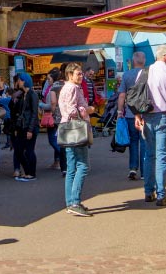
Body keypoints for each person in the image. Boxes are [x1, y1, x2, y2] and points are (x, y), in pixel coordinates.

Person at [135, 45, 166, 207]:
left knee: (149, 155)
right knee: (161, 155)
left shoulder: (145, 72)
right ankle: (162, 194)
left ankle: (149, 192)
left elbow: (137, 95)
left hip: (147, 116)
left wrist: (138, 115)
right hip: (164, 115)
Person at [59, 62, 95, 216]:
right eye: (78, 73)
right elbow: (72, 110)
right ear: (69, 75)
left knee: (72, 167)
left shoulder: (66, 87)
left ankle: (71, 202)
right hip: (76, 129)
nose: (81, 76)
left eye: (81, 73)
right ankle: (74, 201)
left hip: (68, 129)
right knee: (83, 165)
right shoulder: (72, 88)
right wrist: (87, 110)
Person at [117, 51, 147, 180]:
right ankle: (145, 171)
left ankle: (133, 168)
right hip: (145, 113)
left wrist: (119, 111)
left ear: (134, 61)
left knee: (133, 142)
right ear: (144, 61)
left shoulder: (126, 75)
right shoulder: (148, 74)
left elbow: (122, 95)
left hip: (130, 113)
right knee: (145, 142)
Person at [13, 72, 39, 182]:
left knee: (29, 150)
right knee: (19, 150)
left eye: (19, 80)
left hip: (29, 126)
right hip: (22, 126)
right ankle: (27, 171)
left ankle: (31, 173)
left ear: (24, 81)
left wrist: (30, 129)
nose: (18, 82)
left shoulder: (32, 94)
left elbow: (34, 113)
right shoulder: (23, 94)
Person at [41, 68, 61, 170]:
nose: (47, 81)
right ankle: (57, 162)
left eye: (49, 79)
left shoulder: (52, 89)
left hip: (53, 118)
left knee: (53, 140)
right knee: (58, 139)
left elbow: (51, 104)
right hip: (61, 117)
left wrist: (40, 105)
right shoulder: (62, 86)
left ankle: (64, 157)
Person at [49, 68, 67, 176]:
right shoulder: (68, 85)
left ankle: (64, 168)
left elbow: (53, 102)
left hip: (58, 118)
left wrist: (52, 113)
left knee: (62, 143)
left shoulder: (54, 87)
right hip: (69, 116)